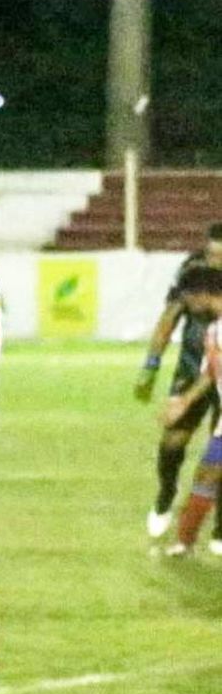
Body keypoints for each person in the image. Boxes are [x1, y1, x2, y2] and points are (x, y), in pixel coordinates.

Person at [135, 224, 222, 539]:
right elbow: (170, 317)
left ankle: (219, 527)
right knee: (173, 441)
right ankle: (166, 494)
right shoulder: (192, 271)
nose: (215, 262)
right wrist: (151, 365)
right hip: (191, 368)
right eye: (212, 254)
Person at [160, 265, 222, 556]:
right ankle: (185, 542)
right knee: (207, 474)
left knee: (208, 474)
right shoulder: (213, 330)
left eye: (188, 299)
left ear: (201, 295)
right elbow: (211, 373)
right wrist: (183, 402)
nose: (188, 306)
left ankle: (185, 541)